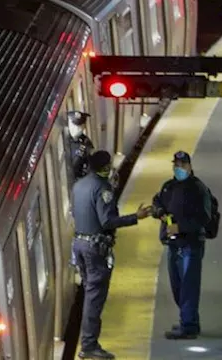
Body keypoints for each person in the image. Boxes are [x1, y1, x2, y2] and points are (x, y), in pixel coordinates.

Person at [72, 150, 153, 360]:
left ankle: (88, 342)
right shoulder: (102, 188)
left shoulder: (78, 185)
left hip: (80, 245)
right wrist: (136, 217)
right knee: (94, 298)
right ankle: (89, 346)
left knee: (90, 293)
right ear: (105, 167)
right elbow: (107, 221)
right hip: (95, 249)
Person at [150, 150, 217, 340]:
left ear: (189, 166)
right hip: (173, 245)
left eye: (182, 165)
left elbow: (205, 217)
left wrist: (180, 227)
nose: (179, 168)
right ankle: (187, 319)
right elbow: (157, 202)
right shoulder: (168, 187)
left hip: (191, 244)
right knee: (177, 285)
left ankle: (189, 325)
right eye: (176, 165)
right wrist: (159, 211)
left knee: (189, 285)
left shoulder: (199, 189)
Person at [68, 110, 95, 179]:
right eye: (75, 125)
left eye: (81, 125)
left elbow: (90, 165)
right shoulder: (62, 139)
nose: (78, 128)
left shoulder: (86, 142)